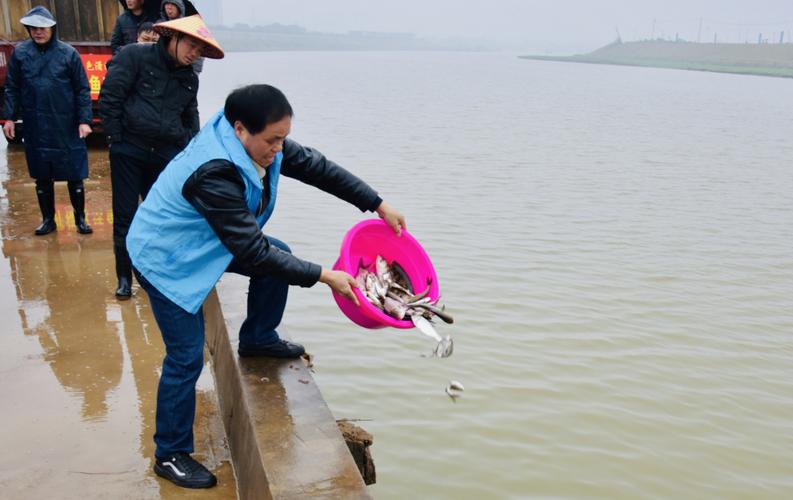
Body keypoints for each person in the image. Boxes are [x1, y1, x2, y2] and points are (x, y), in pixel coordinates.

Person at [126, 84, 405, 489]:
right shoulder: (215, 171)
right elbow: (254, 253)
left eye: (284, 138)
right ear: (240, 130)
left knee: (282, 255)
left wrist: (377, 203)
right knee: (186, 355)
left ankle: (257, 337)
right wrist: (325, 275)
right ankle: (170, 453)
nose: (280, 148)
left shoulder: (261, 145)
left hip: (203, 243)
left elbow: (318, 167)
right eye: (273, 140)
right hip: (165, 257)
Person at [99, 15, 222, 300]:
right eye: (191, 46)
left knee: (163, 218)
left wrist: (192, 152)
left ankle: (157, 275)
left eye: (200, 50)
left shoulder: (189, 78)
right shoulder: (134, 56)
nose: (194, 54)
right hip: (128, 150)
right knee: (125, 216)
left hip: (165, 155)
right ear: (174, 38)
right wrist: (115, 139)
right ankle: (124, 277)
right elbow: (110, 97)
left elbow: (190, 118)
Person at [1, 6, 93, 235]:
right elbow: (12, 88)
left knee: (74, 175)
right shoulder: (21, 54)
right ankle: (48, 220)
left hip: (66, 124)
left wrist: (84, 120)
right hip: (36, 123)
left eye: (42, 28)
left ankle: (80, 219)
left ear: (52, 28)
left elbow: (82, 89)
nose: (38, 32)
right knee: (42, 176)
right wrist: (9, 118)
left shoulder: (68, 53)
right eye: (33, 28)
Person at [157, 0, 204, 74]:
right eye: (166, 4)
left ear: (179, 7)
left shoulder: (191, 26)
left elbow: (198, 51)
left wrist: (194, 74)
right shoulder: (158, 27)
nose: (169, 7)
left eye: (172, 4)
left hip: (183, 73)